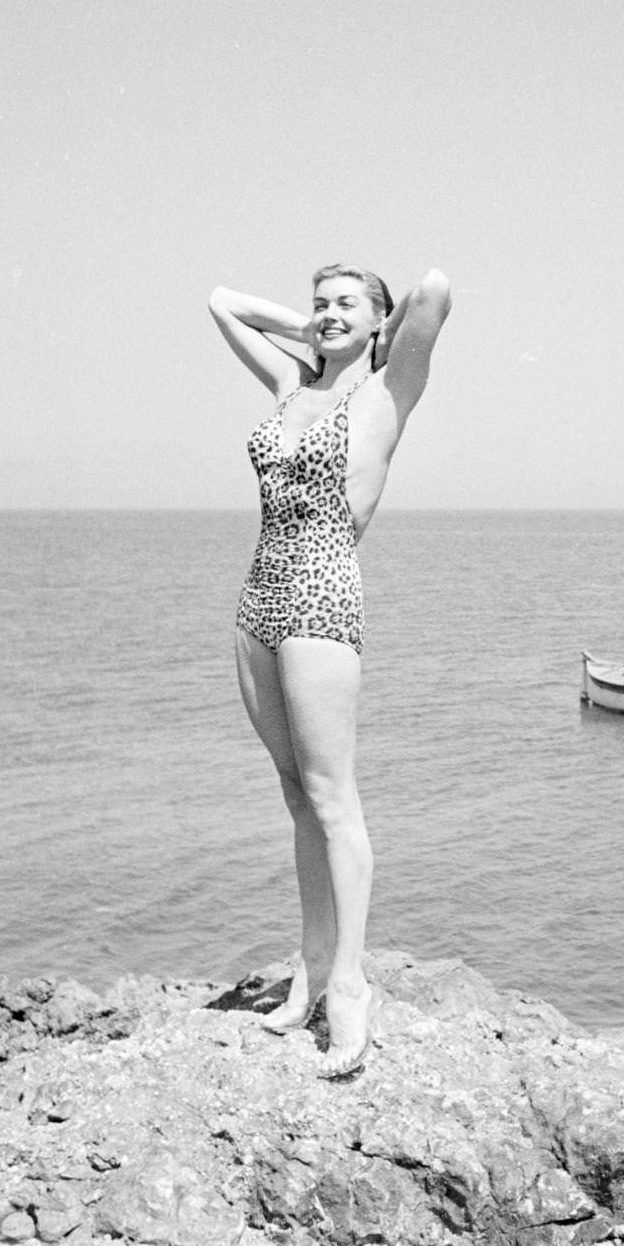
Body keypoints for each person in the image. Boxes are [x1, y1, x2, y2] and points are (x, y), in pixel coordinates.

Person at [209, 261, 451, 1076]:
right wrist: (309, 332)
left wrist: (374, 329)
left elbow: (436, 291)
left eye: (345, 303)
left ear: (379, 321)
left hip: (321, 593)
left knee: (332, 797)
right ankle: (309, 968)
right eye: (319, 302)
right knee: (293, 793)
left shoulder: (388, 393)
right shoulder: (290, 381)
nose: (326, 314)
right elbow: (223, 302)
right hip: (258, 599)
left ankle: (349, 985)